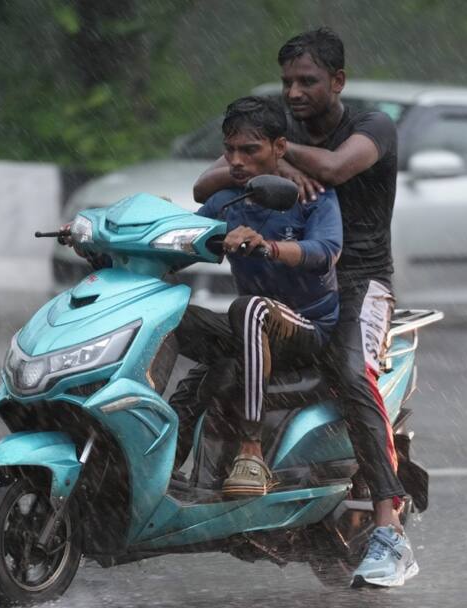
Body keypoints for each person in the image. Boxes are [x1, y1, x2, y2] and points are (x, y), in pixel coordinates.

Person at [193, 28, 415, 588]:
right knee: (199, 346)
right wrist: (269, 163)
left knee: (348, 373)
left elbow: (338, 169)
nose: (293, 92)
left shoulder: (372, 127)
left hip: (358, 283)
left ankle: (390, 530)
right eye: (287, 81)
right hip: (292, 286)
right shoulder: (279, 133)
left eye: (307, 81)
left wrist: (285, 157)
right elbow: (208, 185)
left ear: (337, 82)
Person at [169, 95, 342, 497]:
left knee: (247, 309)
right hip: (251, 333)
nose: (237, 162)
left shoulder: (313, 195)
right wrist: (105, 244)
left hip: (306, 328)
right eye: (229, 150)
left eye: (250, 150)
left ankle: (251, 452)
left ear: (279, 149)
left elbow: (326, 252)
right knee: (171, 313)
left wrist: (269, 247)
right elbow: (181, 247)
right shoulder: (228, 200)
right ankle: (152, 462)